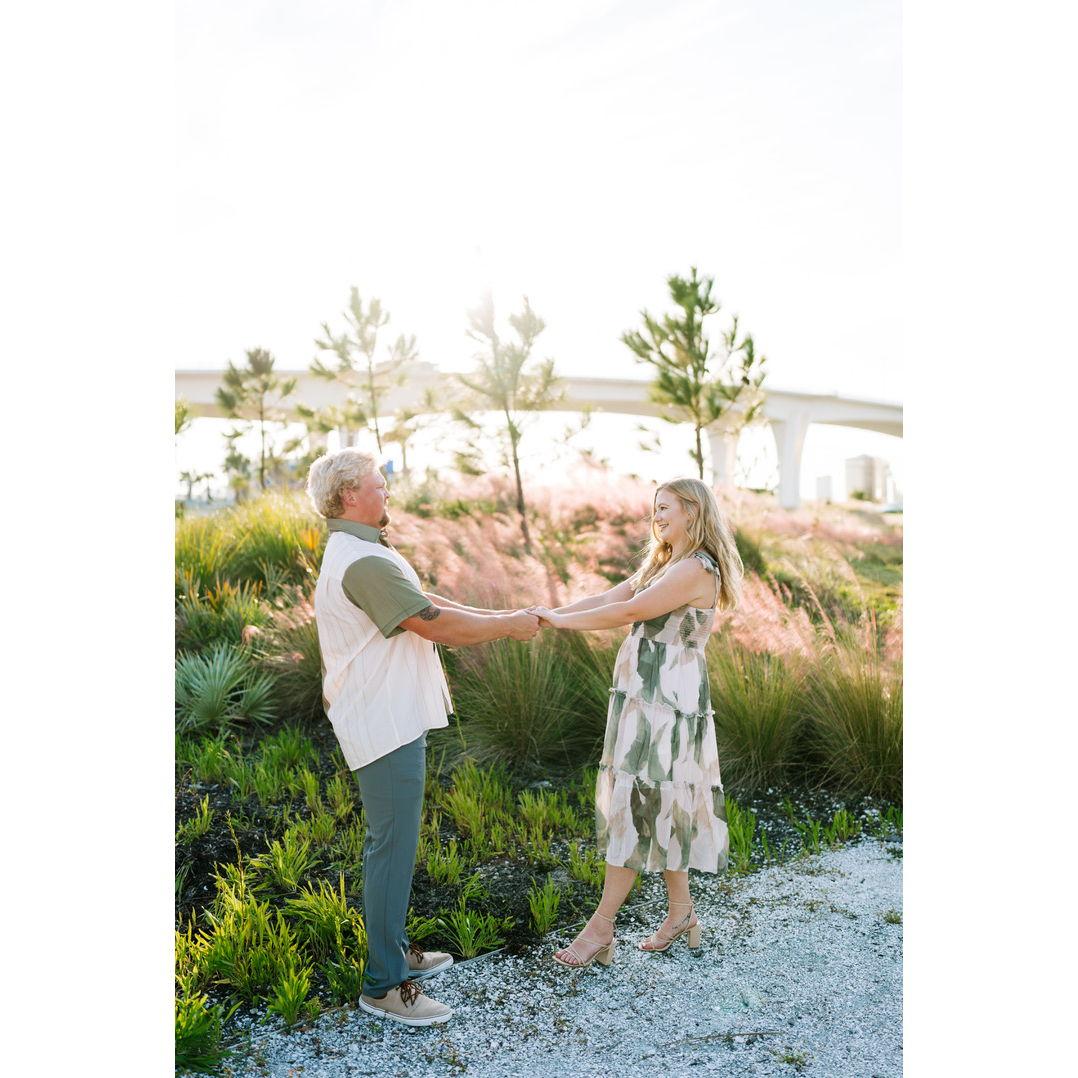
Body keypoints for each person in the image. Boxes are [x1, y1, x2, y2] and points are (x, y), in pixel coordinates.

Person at [306, 448, 540, 1025]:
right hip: (381, 721)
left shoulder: (364, 550)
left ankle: (395, 953)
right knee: (391, 849)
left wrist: (503, 613)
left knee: (396, 845)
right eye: (377, 485)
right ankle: (384, 984)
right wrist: (508, 627)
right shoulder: (360, 560)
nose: (387, 491)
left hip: (390, 715)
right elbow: (434, 625)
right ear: (348, 497)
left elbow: (427, 604)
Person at [527, 476, 743, 967]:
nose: (657, 516)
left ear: (692, 510)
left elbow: (629, 610)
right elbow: (609, 597)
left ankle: (601, 929)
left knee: (636, 804)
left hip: (667, 703)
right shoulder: (664, 562)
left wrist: (559, 623)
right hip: (645, 697)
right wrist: (547, 614)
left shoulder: (696, 569)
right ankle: (681, 913)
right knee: (662, 801)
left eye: (665, 507)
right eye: (655, 508)